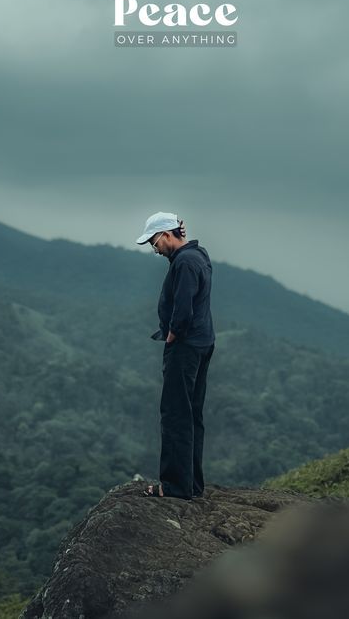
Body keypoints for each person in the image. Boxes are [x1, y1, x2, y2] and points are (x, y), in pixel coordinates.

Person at [135, 211, 216, 500]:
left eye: (154, 242)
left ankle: (174, 487)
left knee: (175, 415)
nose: (154, 249)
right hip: (202, 341)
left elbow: (183, 307)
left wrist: (172, 335)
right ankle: (192, 484)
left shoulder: (184, 262)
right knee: (192, 414)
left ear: (168, 235)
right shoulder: (197, 255)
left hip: (185, 345)